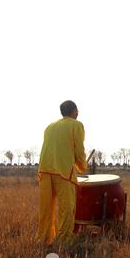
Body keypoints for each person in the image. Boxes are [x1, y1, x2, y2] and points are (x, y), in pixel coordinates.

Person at [37, 100, 87, 246]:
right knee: (67, 209)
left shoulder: (49, 127)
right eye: (77, 110)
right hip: (63, 172)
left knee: (46, 209)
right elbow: (79, 149)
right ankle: (64, 242)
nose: (78, 113)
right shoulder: (76, 125)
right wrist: (82, 166)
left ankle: (43, 240)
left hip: (45, 170)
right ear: (74, 111)